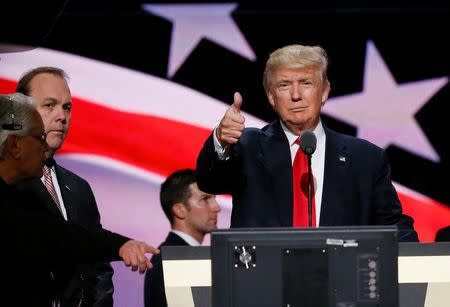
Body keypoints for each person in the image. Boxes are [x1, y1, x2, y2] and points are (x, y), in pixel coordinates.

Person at [196, 44, 418, 242]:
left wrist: (423, 261)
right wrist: (221, 140)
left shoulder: (365, 158)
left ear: (324, 91)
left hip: (341, 281)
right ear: (271, 97)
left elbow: (393, 225)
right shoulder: (248, 147)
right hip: (263, 282)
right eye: (284, 85)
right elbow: (210, 181)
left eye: (306, 83)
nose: (296, 95)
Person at [0, 93, 159, 305]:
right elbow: (58, 236)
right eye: (39, 138)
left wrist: (121, 246)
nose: (44, 146)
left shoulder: (19, 203)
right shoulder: (13, 210)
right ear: (14, 145)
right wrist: (119, 246)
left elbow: (67, 235)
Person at [15, 66, 115, 306]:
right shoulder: (8, 179)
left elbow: (98, 267)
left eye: (66, 107)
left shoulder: (79, 188)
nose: (61, 116)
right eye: (49, 105)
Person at [143, 169, 220, 307]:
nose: (216, 207)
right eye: (205, 199)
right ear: (179, 210)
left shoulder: (171, 253)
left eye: (214, 198)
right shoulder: (178, 257)